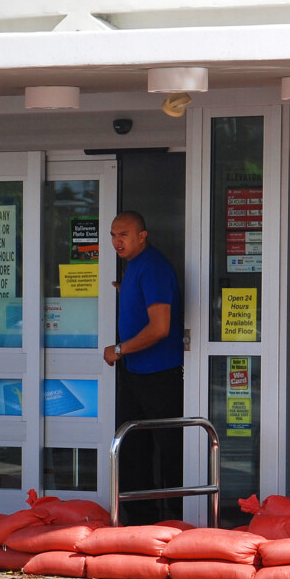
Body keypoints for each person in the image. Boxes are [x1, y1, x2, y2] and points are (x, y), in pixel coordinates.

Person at [104, 211, 184, 523]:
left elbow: (160, 327)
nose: (116, 241)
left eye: (123, 234)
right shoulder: (136, 267)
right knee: (132, 450)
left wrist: (120, 350)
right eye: (112, 235)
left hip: (159, 374)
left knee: (170, 450)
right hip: (137, 374)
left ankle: (181, 519)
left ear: (142, 235)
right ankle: (140, 522)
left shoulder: (153, 265)